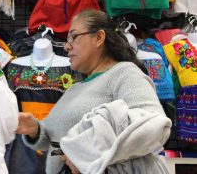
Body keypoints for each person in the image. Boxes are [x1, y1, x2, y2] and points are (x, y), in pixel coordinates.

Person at [16, 9, 171, 174]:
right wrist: (36, 130)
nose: (67, 46)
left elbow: (154, 125)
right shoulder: (76, 88)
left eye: (74, 37)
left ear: (99, 38)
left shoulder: (125, 73)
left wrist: (85, 156)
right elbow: (57, 137)